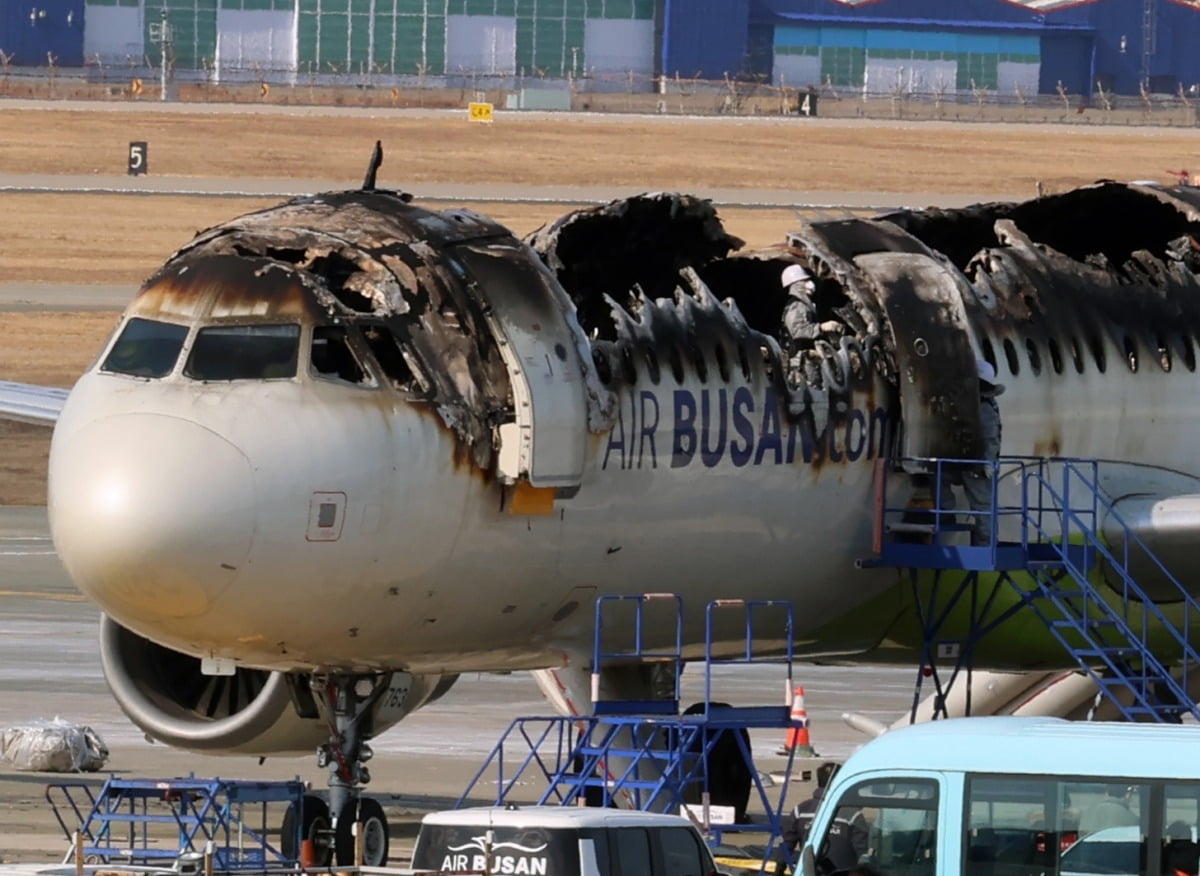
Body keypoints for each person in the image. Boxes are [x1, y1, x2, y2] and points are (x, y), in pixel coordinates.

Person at [776, 763, 868, 874]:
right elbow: (864, 854)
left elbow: (785, 845)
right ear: (840, 781)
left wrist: (779, 867)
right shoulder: (852, 815)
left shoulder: (800, 811)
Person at [961, 359, 1004, 546]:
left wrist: (987, 462)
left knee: (983, 506)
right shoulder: (983, 404)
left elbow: (990, 438)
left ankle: (986, 543)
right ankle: (943, 512)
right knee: (983, 506)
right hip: (966, 461)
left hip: (977, 465)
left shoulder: (984, 407)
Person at [781, 264, 841, 346]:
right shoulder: (796, 305)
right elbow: (797, 331)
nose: (809, 283)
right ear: (796, 284)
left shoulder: (804, 303)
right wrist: (821, 327)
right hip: (801, 356)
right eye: (805, 280)